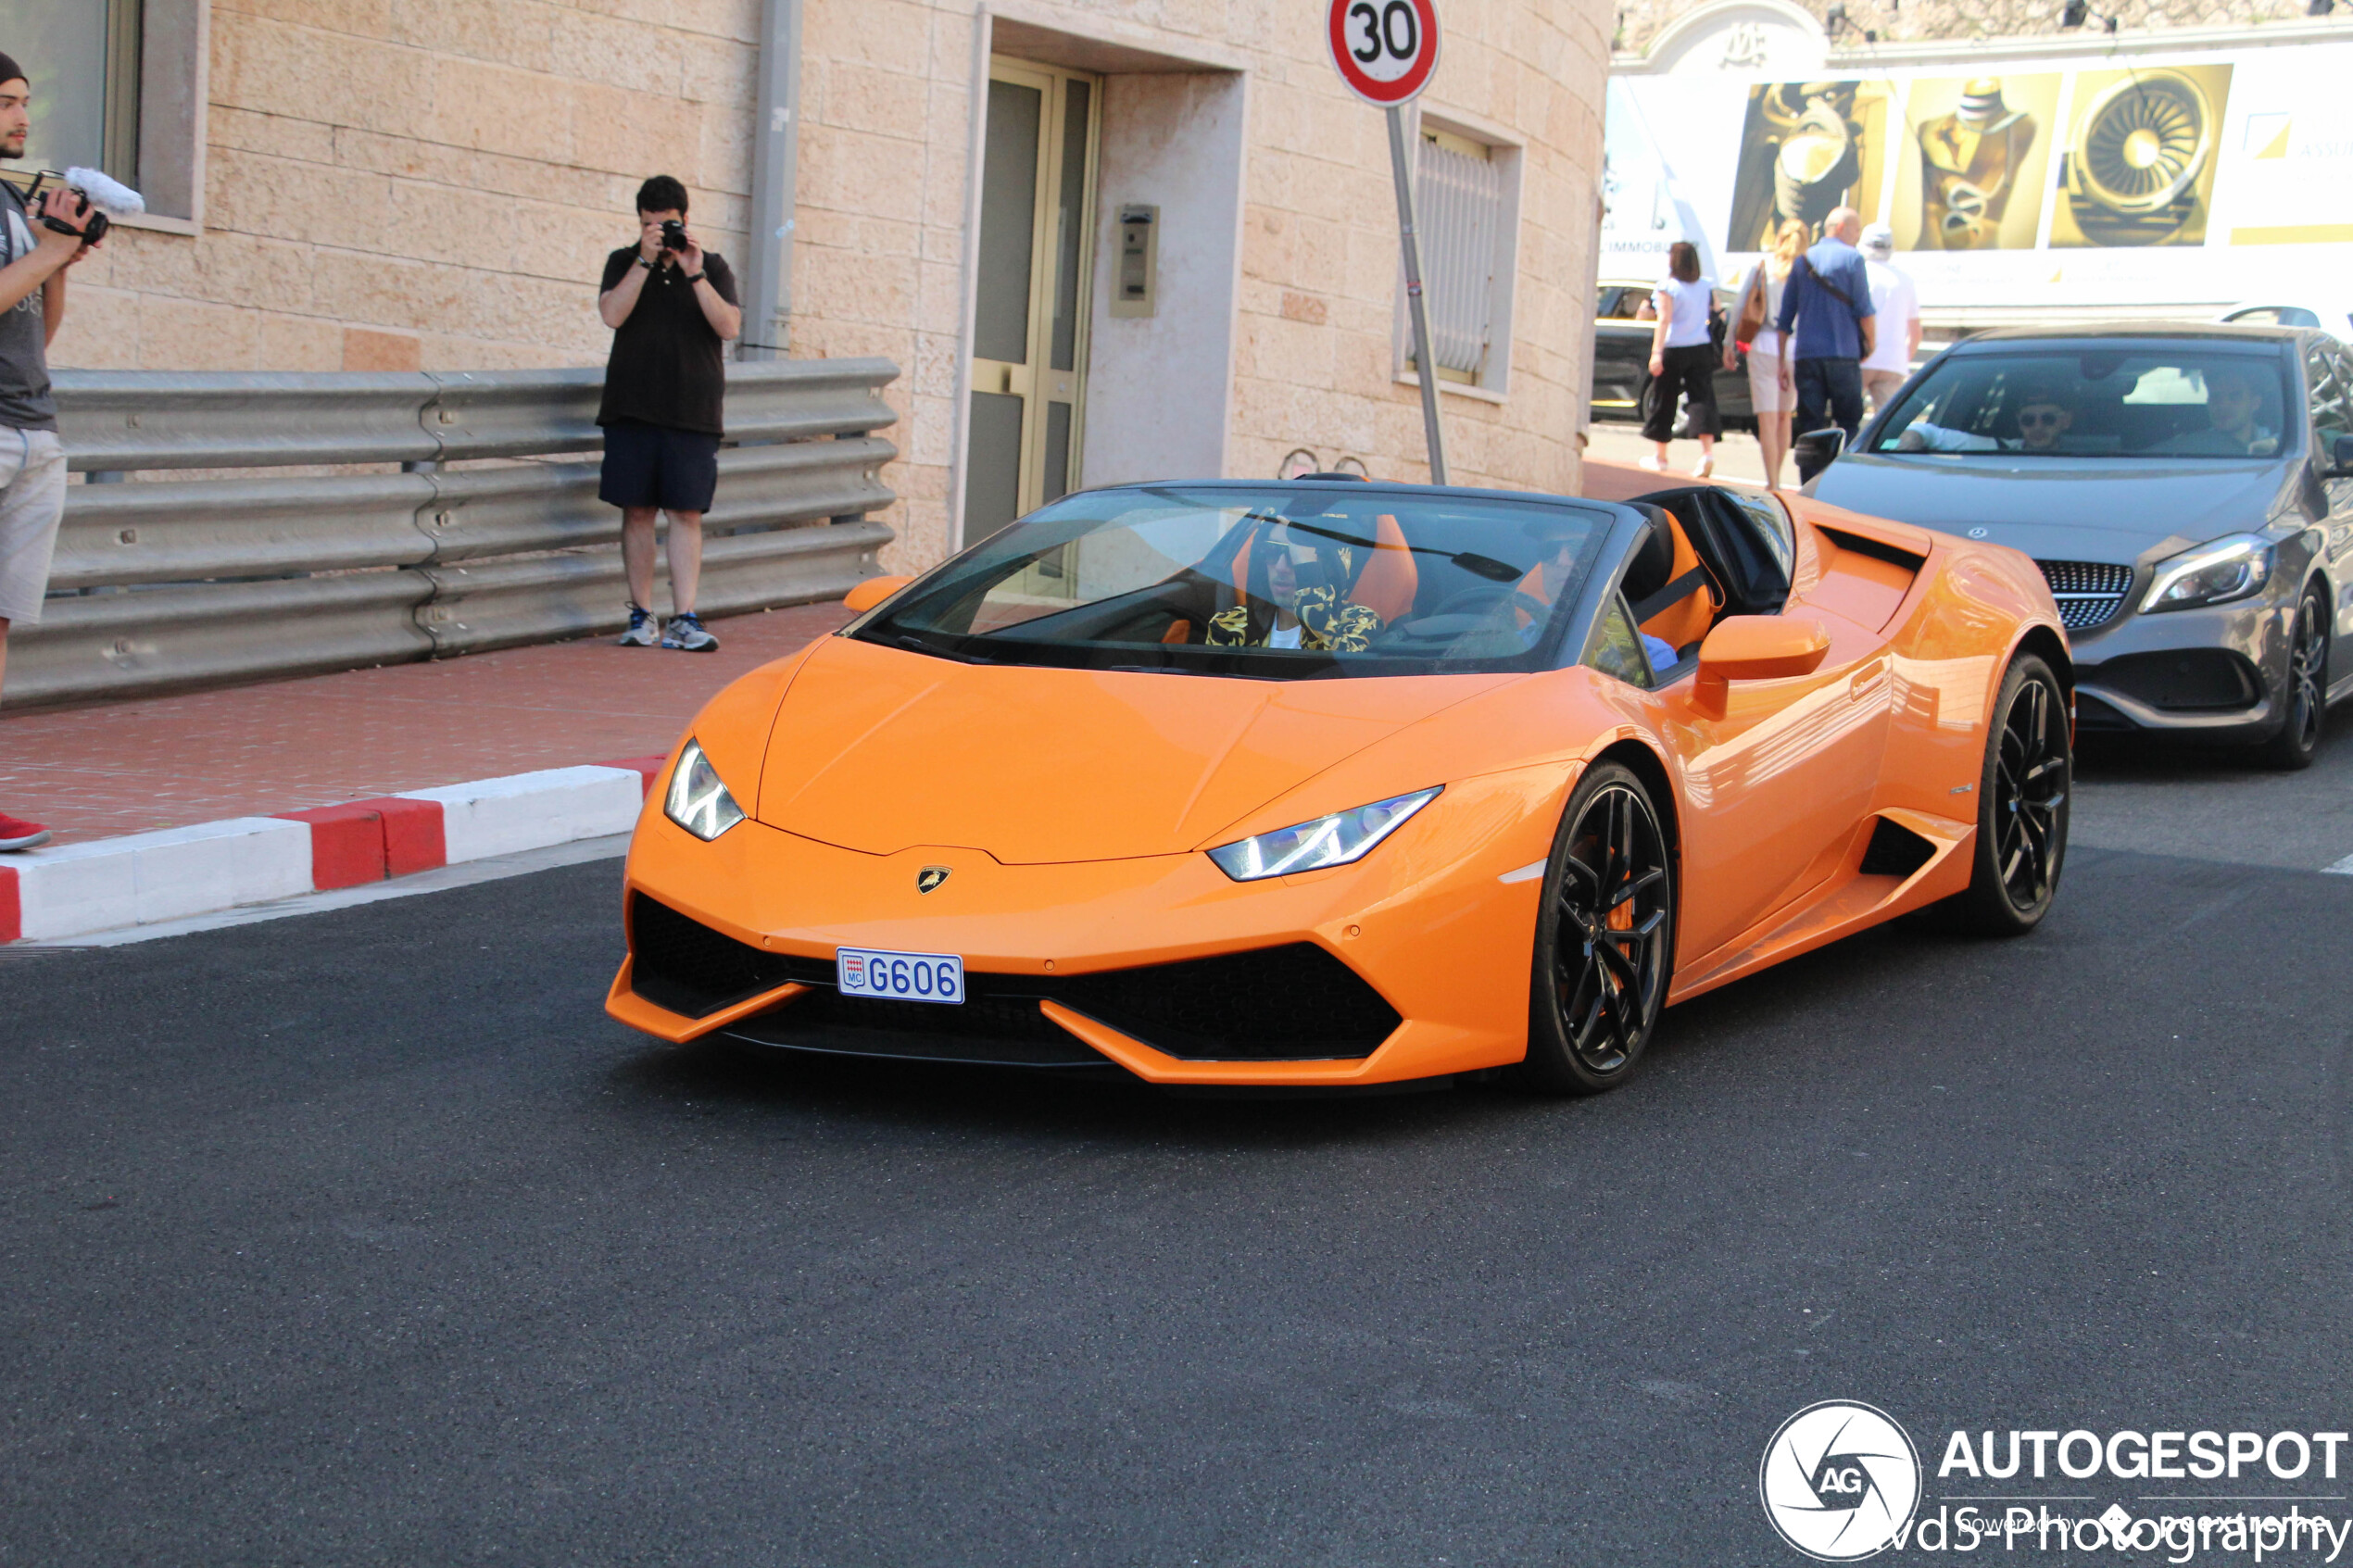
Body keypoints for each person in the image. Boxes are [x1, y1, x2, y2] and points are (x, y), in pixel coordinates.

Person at [0, 52, 104, 852]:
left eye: (26, 103)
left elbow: (39, 330)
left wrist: (61, 254)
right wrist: (47, 248)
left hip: (35, 432)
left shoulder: (9, 201)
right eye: (5, 103)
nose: (21, 119)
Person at [597, 174, 742, 652]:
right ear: (639, 223)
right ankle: (641, 614)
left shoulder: (711, 266)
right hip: (632, 408)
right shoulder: (623, 261)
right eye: (649, 225)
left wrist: (693, 271)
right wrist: (642, 260)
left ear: (686, 220)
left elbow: (728, 326)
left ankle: (685, 617)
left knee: (686, 512)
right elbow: (612, 314)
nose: (660, 234)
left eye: (668, 225)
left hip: (692, 410)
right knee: (637, 511)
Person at [1775, 207, 1877, 469]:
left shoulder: (1803, 260)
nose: (1857, 236)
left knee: (1811, 424)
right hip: (1844, 355)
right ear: (1841, 227)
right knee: (1849, 422)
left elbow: (1785, 319)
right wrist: (1870, 343)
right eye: (1856, 229)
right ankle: (1844, 477)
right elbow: (1864, 310)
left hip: (1808, 356)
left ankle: (1810, 482)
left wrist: (1780, 361)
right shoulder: (1853, 259)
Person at [1205, 520, 1384, 651]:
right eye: (1272, 551)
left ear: (1326, 566)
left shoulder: (1360, 622)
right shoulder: (1228, 625)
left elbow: (1331, 673)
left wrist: (1307, 571)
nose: (1281, 567)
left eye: (1295, 556)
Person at [1729, 219, 1808, 491]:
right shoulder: (1809, 272)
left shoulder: (1764, 269)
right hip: (1795, 347)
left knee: (1768, 417)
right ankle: (1778, 475)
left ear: (1779, 240)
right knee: (1785, 416)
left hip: (1764, 343)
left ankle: (1772, 480)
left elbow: (1740, 308)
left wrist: (1730, 344)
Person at [1639, 241, 1721, 479]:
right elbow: (1717, 311)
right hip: (1701, 346)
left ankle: (1661, 455)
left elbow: (1664, 319)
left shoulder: (1668, 286)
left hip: (1674, 347)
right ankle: (1707, 453)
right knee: (1702, 398)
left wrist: (1656, 353)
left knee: (1664, 398)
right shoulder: (1706, 286)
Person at [1894, 383, 2076, 454]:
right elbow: (1929, 432)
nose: (2038, 426)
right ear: (2019, 421)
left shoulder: (2085, 457)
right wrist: (1914, 435)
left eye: (2048, 419)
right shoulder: (1997, 448)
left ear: (2065, 421)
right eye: (2028, 420)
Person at [1857, 223, 1921, 417]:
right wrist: (1903, 357)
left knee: (1845, 418)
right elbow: (1916, 331)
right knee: (1888, 425)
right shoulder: (1905, 280)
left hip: (1860, 358)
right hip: (1894, 361)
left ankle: (1845, 447)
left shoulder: (1859, 275)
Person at [2165, 363, 2278, 456]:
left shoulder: (2279, 447)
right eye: (2215, 397)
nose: (2223, 405)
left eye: (2235, 397)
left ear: (2255, 403)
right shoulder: (2191, 448)